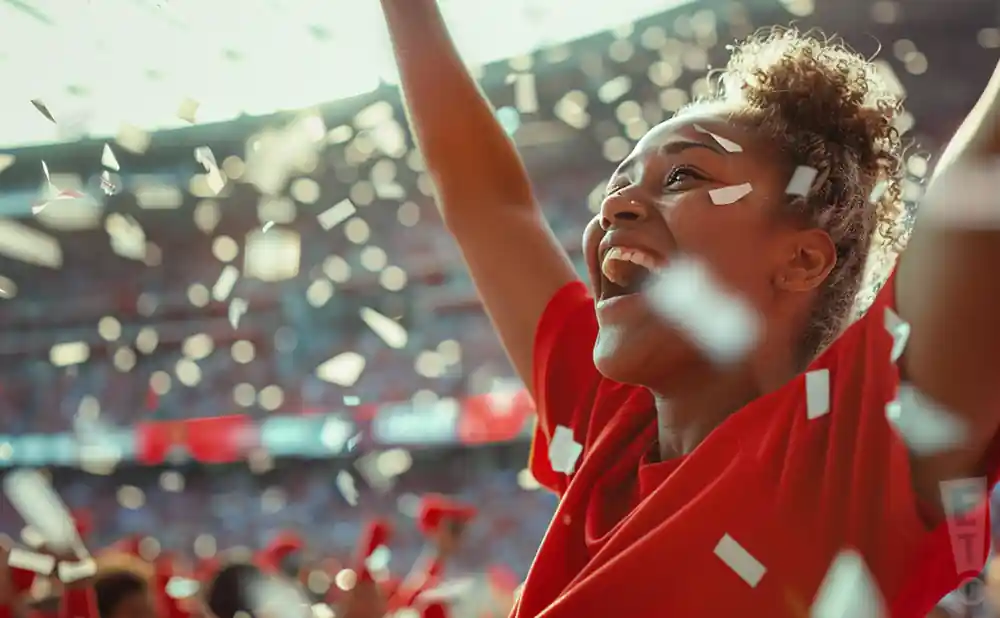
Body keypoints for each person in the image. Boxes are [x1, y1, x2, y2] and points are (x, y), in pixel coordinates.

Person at [379, 0, 1000, 615]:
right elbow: (488, 205)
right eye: (618, 185)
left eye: (683, 178)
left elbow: (984, 178)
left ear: (803, 260)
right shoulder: (610, 428)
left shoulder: (844, 456)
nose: (614, 208)